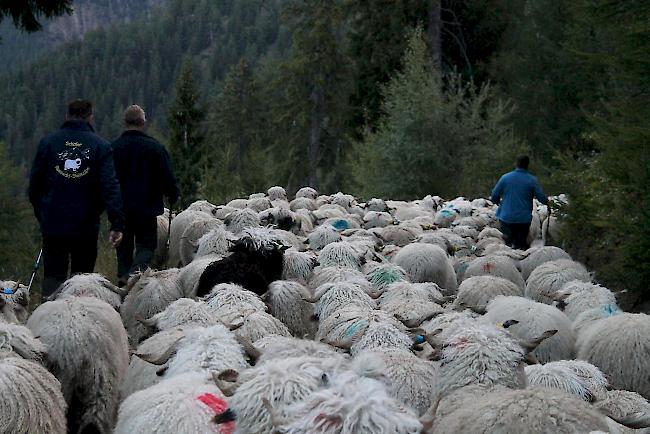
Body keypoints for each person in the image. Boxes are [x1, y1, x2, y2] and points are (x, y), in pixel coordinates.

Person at [28, 99, 125, 298]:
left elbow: (34, 187)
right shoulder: (101, 146)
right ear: (90, 117)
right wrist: (117, 223)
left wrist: (43, 214)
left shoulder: (48, 143)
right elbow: (110, 186)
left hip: (53, 222)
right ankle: (79, 319)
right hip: (86, 224)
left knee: (54, 275)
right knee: (82, 279)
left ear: (67, 116)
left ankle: (48, 316)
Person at [111, 105, 179, 286]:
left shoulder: (113, 148)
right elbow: (168, 178)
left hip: (121, 209)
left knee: (123, 249)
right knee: (147, 246)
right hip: (146, 209)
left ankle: (123, 278)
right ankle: (134, 275)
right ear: (143, 122)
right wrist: (173, 193)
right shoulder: (155, 148)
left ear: (125, 123)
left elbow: (107, 180)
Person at [490, 155, 549, 250]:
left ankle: (507, 260)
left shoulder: (505, 178)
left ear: (516, 164)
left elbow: (494, 195)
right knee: (521, 246)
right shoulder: (532, 180)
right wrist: (549, 203)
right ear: (527, 165)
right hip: (523, 219)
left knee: (507, 246)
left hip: (506, 218)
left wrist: (499, 203)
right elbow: (541, 198)